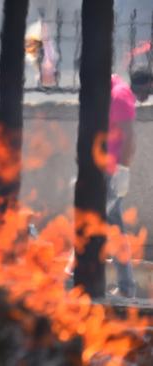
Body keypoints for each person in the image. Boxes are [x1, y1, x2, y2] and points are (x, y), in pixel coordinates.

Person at [104, 68, 151, 297]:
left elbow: (111, 76)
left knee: (107, 226)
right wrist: (123, 171)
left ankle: (126, 287)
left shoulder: (120, 90)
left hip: (106, 169)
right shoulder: (124, 98)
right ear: (143, 85)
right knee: (108, 227)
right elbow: (129, 139)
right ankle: (126, 287)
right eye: (150, 88)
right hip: (110, 172)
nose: (150, 95)